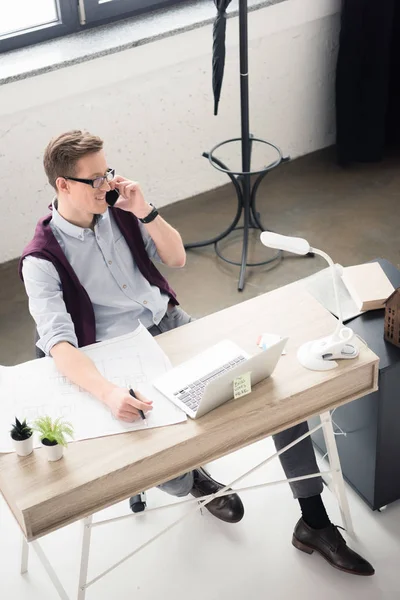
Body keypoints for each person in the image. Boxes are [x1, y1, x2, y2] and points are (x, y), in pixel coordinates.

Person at [20, 131, 374, 575]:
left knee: (269, 385)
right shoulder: (40, 259)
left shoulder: (121, 212)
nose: (106, 186)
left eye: (106, 173)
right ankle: (195, 481)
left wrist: (145, 211)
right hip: (113, 355)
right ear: (62, 185)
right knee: (163, 453)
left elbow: (176, 259)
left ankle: (314, 522)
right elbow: (58, 346)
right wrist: (109, 393)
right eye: (93, 179)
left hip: (170, 326)